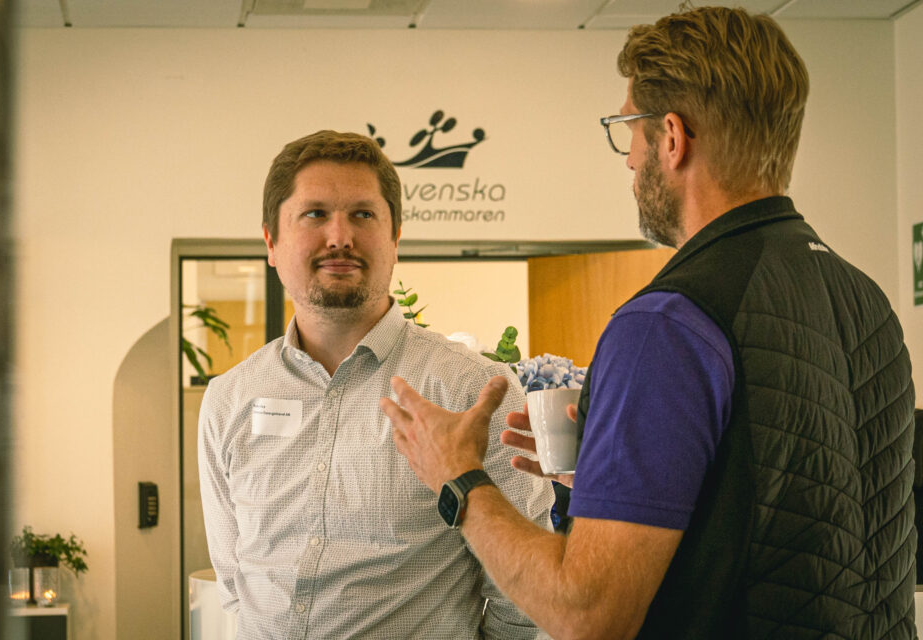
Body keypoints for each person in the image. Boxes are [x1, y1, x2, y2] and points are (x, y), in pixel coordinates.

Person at [381, 6, 917, 640]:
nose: (629, 160)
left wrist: (461, 478)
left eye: (627, 129)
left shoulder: (666, 323)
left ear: (671, 137)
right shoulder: (866, 300)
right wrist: (614, 484)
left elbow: (588, 614)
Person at [197, 130, 554, 639]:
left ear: (395, 238)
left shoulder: (472, 391)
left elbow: (523, 594)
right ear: (271, 242)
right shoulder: (229, 398)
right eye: (315, 214)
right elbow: (236, 581)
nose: (339, 236)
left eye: (363, 214)